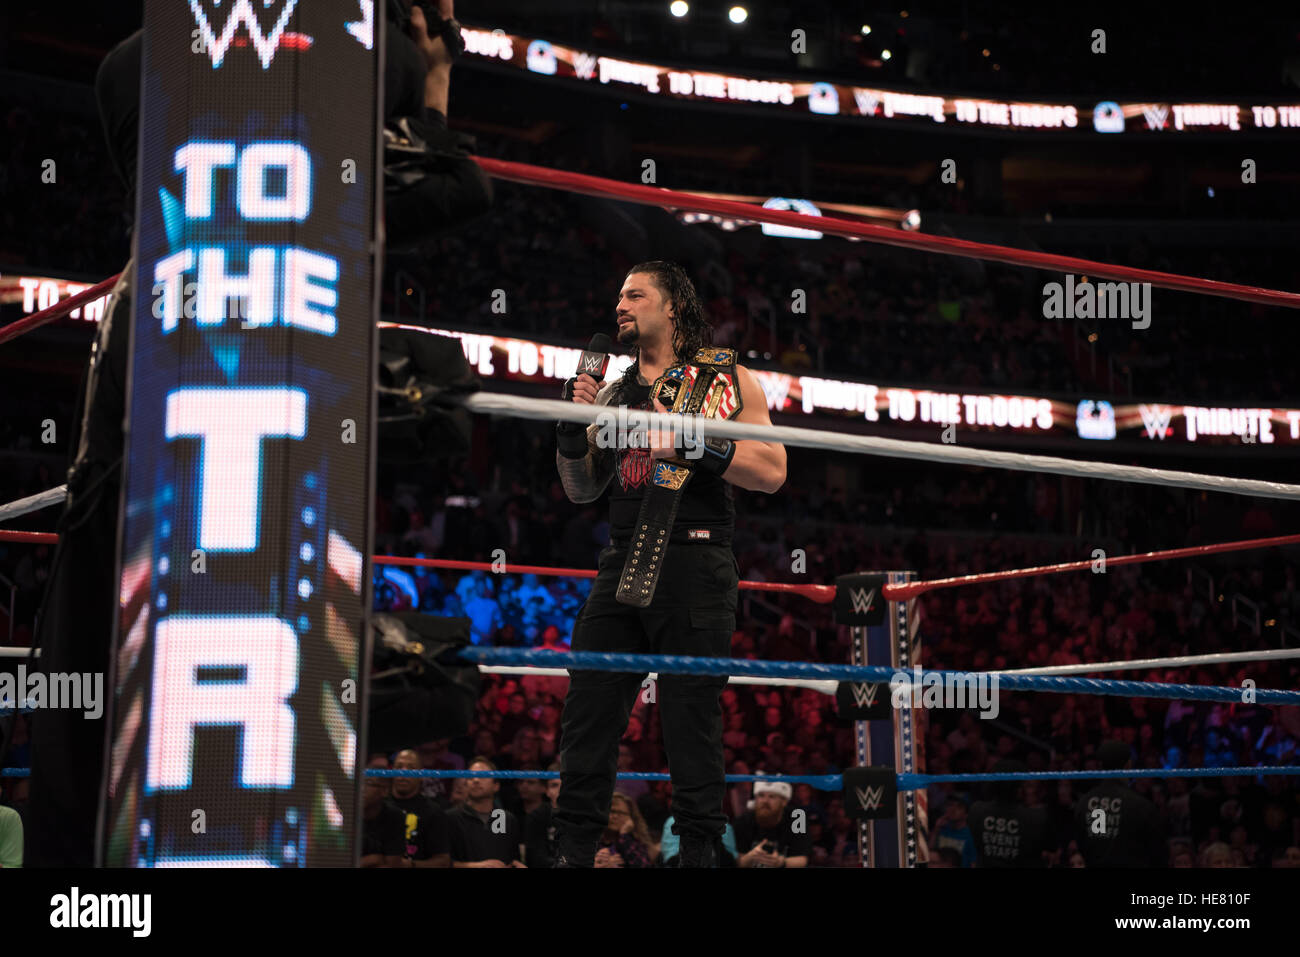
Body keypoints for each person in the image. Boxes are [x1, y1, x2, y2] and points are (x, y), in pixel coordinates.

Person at [20, 0, 491, 867]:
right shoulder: (354, 57)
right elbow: (452, 186)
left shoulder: (140, 72)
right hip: (244, 421)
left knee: (86, 703)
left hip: (163, 411)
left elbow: (140, 66)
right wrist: (431, 67)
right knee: (223, 695)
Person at [552, 261, 787, 867]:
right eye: (618, 296)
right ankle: (573, 850)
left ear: (672, 306)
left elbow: (771, 471)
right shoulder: (613, 391)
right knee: (589, 712)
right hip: (621, 560)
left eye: (635, 295)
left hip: (696, 561)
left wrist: (697, 443)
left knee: (690, 717)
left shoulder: (726, 377)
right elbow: (582, 490)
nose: (620, 306)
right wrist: (570, 430)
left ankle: (701, 853)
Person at [1073, 739, 1165, 867]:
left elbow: (1081, 843)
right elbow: (1157, 851)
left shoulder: (1084, 803)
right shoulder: (1141, 806)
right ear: (1128, 765)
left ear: (1100, 765)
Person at [969, 759, 1055, 867]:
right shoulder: (1036, 817)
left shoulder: (976, 810)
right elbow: (1050, 850)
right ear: (1019, 788)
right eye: (1025, 783)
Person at [448, 758, 525, 867]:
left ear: (496, 785)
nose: (475, 780)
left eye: (483, 775)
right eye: (470, 777)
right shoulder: (450, 818)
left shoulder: (506, 819)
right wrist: (476, 866)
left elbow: (513, 860)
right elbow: (442, 863)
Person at [389, 749, 451, 867]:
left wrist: (410, 865)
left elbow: (443, 861)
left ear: (421, 775)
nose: (404, 773)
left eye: (411, 768)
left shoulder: (433, 812)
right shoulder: (379, 806)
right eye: (399, 767)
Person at [733, 780, 811, 868]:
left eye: (772, 796)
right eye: (761, 795)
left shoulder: (797, 820)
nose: (765, 801)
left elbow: (802, 859)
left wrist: (780, 862)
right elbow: (736, 861)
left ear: (784, 801)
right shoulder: (743, 821)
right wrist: (750, 857)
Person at [594, 792, 654, 868]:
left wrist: (624, 836)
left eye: (621, 813)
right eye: (612, 811)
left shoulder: (636, 842)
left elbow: (644, 865)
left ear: (631, 818)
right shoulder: (592, 841)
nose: (615, 816)